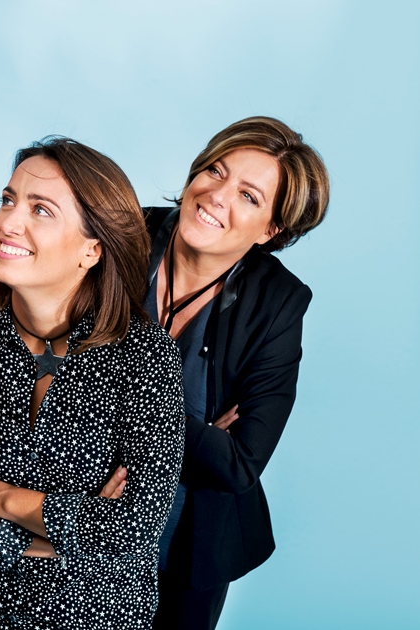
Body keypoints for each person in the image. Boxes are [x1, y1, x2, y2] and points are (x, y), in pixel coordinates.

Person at [0, 137, 185, 629]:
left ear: (91, 250)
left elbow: (134, 528)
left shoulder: (144, 355)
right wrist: (69, 527)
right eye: (8, 200)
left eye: (41, 210)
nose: (8, 223)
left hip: (96, 617)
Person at [144, 116, 330, 629]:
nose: (216, 196)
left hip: (187, 542)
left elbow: (239, 463)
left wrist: (115, 404)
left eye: (248, 196)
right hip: (73, 511)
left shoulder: (278, 303)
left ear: (271, 230)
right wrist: (199, 433)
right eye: (216, 171)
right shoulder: (118, 235)